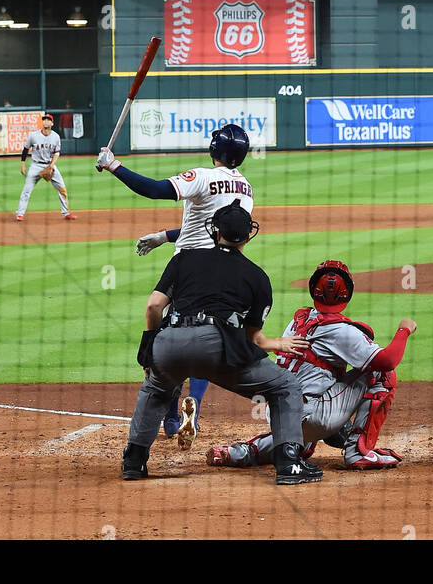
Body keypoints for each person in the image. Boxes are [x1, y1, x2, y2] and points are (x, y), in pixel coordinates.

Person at [120, 200, 321, 486]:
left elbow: (154, 306)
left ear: (215, 231)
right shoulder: (257, 277)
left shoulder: (183, 258)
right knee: (285, 386)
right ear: (249, 235)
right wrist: (278, 342)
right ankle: (289, 464)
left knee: (157, 386)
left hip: (169, 343)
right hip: (218, 348)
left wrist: (149, 353)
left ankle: (134, 461)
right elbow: (253, 338)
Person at [99, 122, 256, 444]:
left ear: (215, 150)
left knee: (160, 320)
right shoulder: (247, 189)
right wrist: (164, 236)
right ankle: (194, 403)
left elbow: (155, 190)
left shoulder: (202, 176)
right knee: (207, 336)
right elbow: (219, 227)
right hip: (225, 270)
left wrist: (113, 165)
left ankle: (168, 409)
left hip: (188, 266)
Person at [206, 258, 415, 474]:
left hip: (279, 413)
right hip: (314, 417)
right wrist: (404, 330)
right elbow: (388, 360)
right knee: (383, 374)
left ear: (314, 290)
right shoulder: (341, 331)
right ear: (348, 293)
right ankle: (358, 452)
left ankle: (240, 452)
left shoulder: (298, 321)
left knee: (299, 444)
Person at [15, 112, 76, 221]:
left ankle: (66, 213)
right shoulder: (34, 135)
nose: (46, 121)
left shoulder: (56, 137)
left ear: (52, 123)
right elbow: (25, 149)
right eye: (44, 119)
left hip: (49, 165)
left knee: (62, 188)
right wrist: (22, 164)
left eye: (48, 120)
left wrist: (52, 166)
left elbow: (57, 153)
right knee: (26, 190)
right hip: (35, 166)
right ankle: (20, 214)